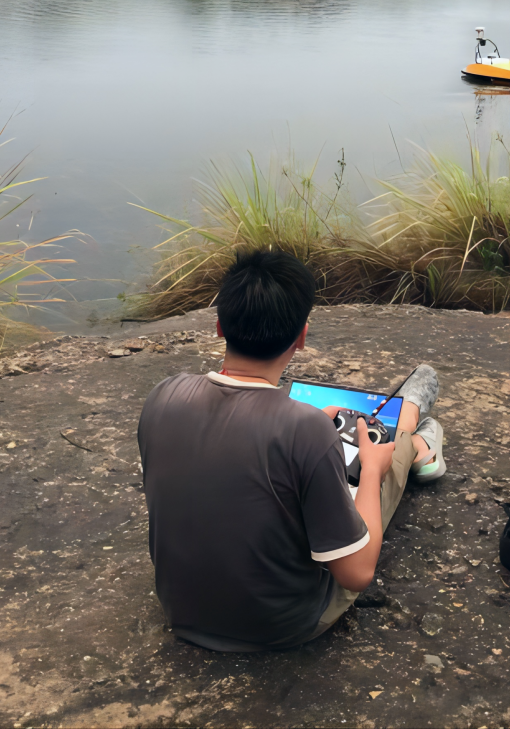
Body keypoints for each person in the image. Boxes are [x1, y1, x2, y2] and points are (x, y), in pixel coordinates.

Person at [137, 248, 446, 651]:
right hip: (281, 626)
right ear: (300, 337)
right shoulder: (305, 428)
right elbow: (356, 574)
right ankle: (419, 445)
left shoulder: (164, 396)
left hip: (183, 611)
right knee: (383, 454)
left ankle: (414, 430)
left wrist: (296, 424)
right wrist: (370, 470)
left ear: (217, 326)